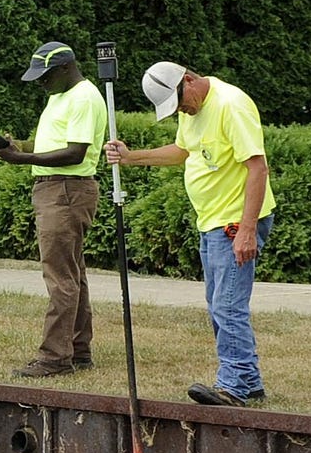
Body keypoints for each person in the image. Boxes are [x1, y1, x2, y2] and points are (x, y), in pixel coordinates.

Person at [107, 62, 274, 405]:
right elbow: (182, 151)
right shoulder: (191, 109)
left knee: (228, 307)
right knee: (218, 304)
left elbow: (257, 168)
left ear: (189, 80)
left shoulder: (231, 105)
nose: (182, 110)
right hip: (210, 221)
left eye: (181, 103)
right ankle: (249, 380)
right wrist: (131, 158)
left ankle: (234, 386)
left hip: (235, 222)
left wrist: (246, 230)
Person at [0, 41, 107, 378]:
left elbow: (75, 152)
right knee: (72, 274)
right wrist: (16, 146)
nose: (41, 82)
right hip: (57, 189)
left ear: (66, 67)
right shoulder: (60, 96)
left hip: (66, 189)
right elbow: (52, 145)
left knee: (60, 277)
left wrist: (22, 159)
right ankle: (78, 351)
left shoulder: (83, 97)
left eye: (45, 75)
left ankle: (54, 358)